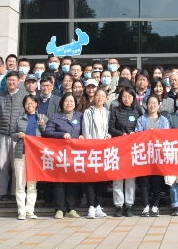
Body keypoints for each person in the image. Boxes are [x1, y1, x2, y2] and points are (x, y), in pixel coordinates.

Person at [45, 93, 83, 219]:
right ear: (62, 103)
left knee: (72, 181)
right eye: (66, 101)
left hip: (75, 154)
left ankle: (71, 209)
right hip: (60, 154)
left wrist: (82, 136)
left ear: (75, 103)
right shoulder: (56, 117)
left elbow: (85, 130)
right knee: (59, 182)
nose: (69, 103)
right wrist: (61, 135)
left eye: (71, 101)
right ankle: (59, 209)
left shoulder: (80, 116)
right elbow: (47, 131)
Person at [134, 93, 170, 217]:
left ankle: (155, 206)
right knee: (144, 181)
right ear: (146, 105)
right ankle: (145, 207)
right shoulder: (141, 119)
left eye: (155, 103)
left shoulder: (164, 120)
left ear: (159, 105)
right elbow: (138, 134)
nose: (152, 105)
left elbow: (166, 136)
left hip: (158, 155)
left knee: (156, 181)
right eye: (150, 103)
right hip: (144, 154)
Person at [108, 88, 143, 216]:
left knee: (130, 178)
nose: (127, 99)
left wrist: (135, 134)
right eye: (124, 96)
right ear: (120, 98)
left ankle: (129, 205)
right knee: (117, 177)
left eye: (129, 96)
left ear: (133, 98)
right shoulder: (115, 110)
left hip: (132, 148)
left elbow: (141, 129)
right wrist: (121, 134)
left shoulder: (138, 111)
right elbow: (111, 128)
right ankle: (118, 206)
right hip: (118, 147)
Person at [0, 71, 25, 205]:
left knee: (16, 165)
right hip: (3, 134)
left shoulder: (24, 95)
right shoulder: (0, 96)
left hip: (18, 136)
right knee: (1, 164)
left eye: (14, 80)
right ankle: (1, 193)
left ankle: (14, 192)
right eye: (9, 80)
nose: (11, 82)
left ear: (18, 81)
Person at [81, 87, 111, 218]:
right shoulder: (88, 112)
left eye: (102, 96)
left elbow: (109, 129)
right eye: (98, 95)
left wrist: (108, 136)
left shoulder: (108, 113)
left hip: (104, 149)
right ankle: (91, 206)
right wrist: (91, 144)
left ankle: (98, 205)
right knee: (91, 178)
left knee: (101, 178)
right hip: (91, 149)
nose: (100, 98)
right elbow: (86, 130)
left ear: (106, 98)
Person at [14, 94, 42, 220]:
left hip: (35, 156)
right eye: (27, 103)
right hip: (21, 153)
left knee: (32, 185)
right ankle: (21, 211)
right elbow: (12, 134)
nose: (29, 105)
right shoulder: (20, 119)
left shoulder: (41, 118)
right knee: (20, 184)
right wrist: (17, 135)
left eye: (32, 103)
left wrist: (42, 125)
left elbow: (46, 134)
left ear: (36, 104)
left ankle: (30, 210)